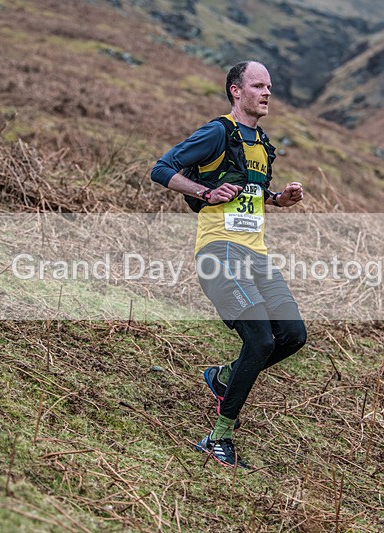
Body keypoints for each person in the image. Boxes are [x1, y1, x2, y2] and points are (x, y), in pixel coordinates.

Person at [150, 61, 307, 468]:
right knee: (260, 341)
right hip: (219, 253)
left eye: (269, 86)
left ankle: (223, 378)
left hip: (256, 256)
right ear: (236, 91)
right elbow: (161, 168)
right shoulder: (218, 130)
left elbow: (250, 191)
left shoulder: (262, 143)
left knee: (292, 335)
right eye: (258, 85)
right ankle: (218, 437)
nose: (266, 92)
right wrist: (204, 192)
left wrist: (277, 200)